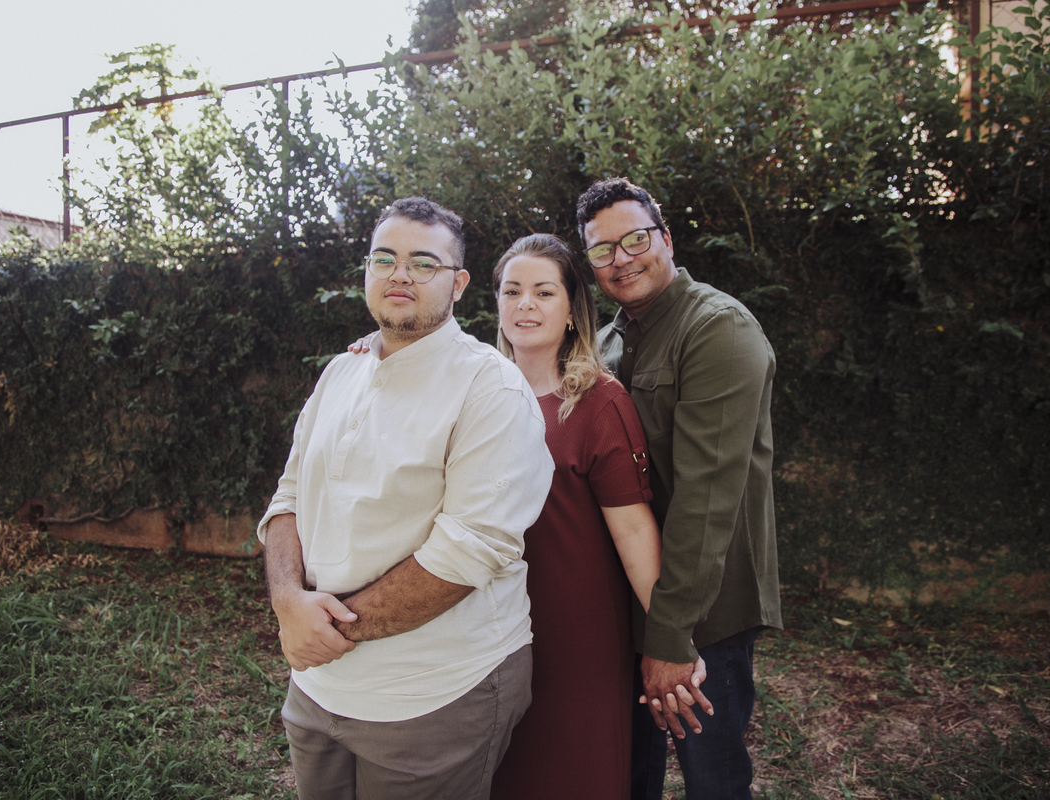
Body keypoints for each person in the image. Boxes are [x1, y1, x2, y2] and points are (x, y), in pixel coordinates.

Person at [258, 196, 554, 800]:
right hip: (316, 685)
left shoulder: (491, 388)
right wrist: (288, 602)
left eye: (423, 263)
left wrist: (328, 631)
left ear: (458, 284)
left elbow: (467, 550)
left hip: (435, 692)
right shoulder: (339, 373)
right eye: (384, 259)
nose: (400, 274)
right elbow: (288, 498)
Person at [576, 178, 782, 800]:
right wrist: (392, 346)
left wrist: (669, 636)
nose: (621, 258)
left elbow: (707, 499)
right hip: (628, 600)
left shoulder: (718, 329)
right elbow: (519, 375)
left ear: (666, 238)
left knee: (712, 778)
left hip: (704, 611)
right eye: (602, 250)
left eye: (635, 239)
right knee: (624, 774)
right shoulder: (604, 343)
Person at [487, 233, 662, 800]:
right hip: (488, 630)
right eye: (512, 291)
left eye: (543, 292)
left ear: (571, 310)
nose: (525, 304)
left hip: (577, 637)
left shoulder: (599, 402)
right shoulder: (477, 395)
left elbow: (634, 530)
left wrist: (670, 636)